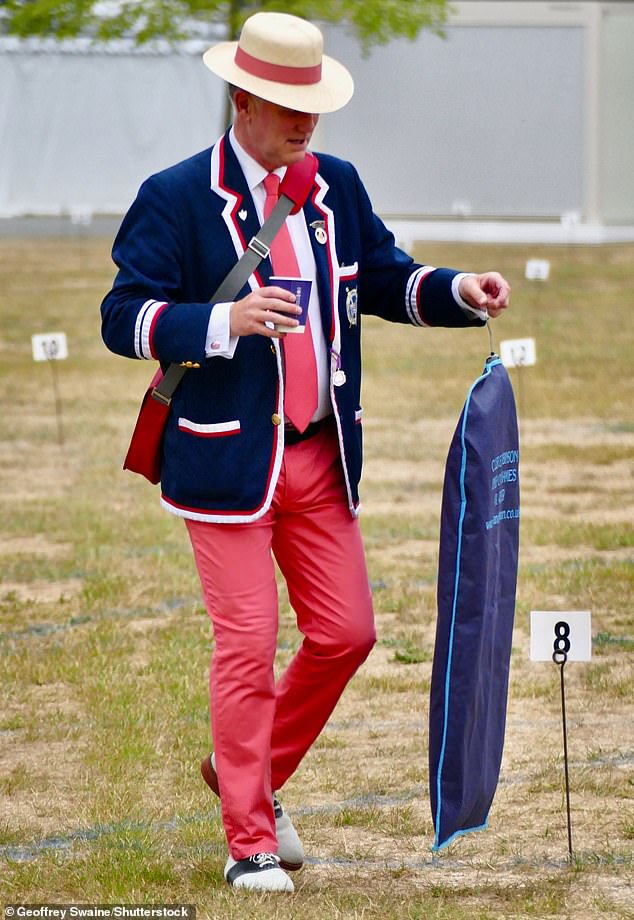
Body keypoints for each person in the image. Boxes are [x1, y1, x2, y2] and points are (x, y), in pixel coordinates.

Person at [101, 11, 511, 893]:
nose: (306, 122)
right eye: (288, 104)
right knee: (247, 643)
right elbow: (122, 315)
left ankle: (242, 768)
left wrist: (459, 292)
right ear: (243, 100)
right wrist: (221, 321)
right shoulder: (174, 196)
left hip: (320, 455)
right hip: (225, 462)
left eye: (314, 104)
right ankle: (248, 837)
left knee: (348, 633)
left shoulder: (336, 186)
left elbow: (388, 276)